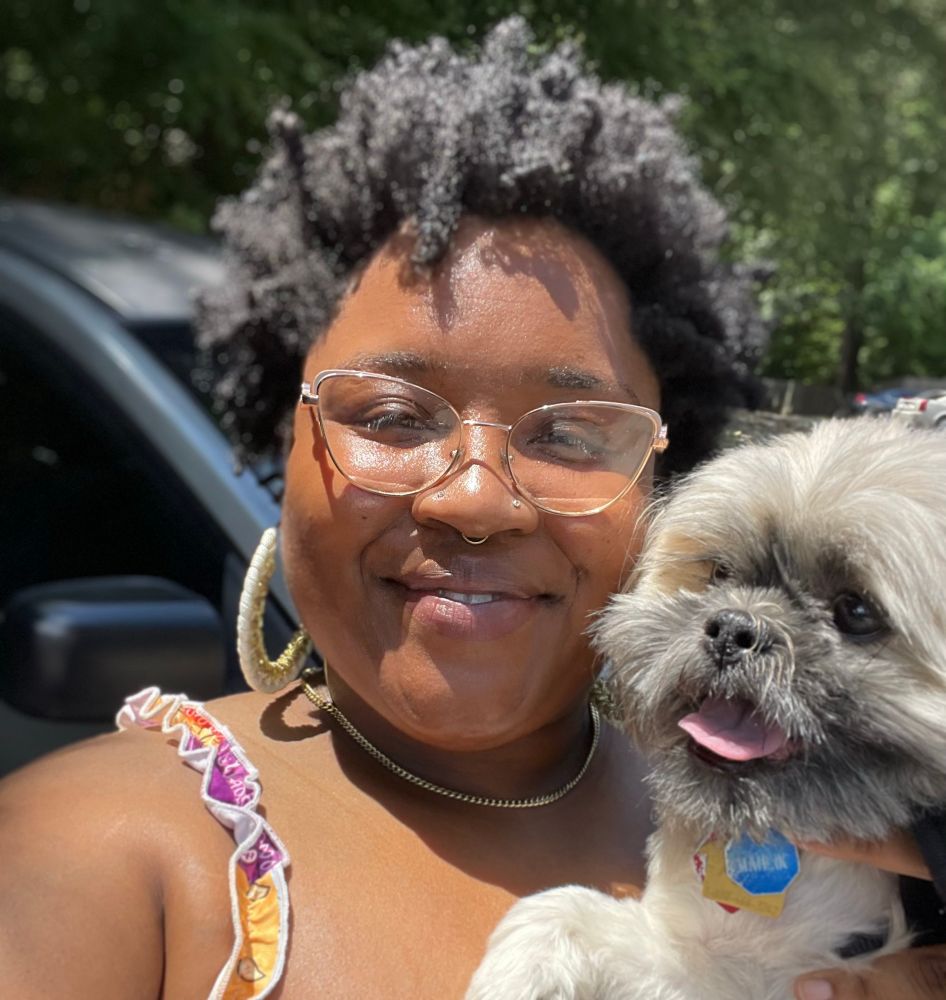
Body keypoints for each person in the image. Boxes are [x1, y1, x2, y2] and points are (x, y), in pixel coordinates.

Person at [0, 18, 941, 1000]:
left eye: (570, 432)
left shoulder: (862, 833)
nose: (477, 497)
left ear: (661, 487)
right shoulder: (90, 859)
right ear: (277, 435)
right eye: (395, 415)